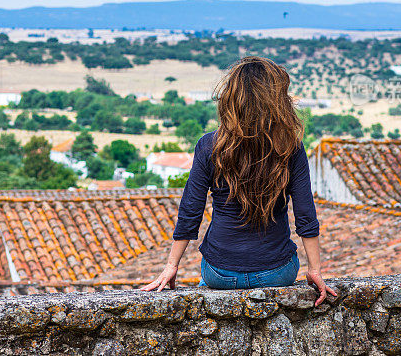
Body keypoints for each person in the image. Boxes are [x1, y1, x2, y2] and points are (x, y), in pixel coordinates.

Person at [141, 56, 336, 305]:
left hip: (219, 272)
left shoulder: (209, 146)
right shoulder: (291, 148)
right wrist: (315, 270)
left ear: (232, 99)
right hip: (276, 271)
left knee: (207, 288)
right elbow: (305, 214)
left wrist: (171, 266)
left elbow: (191, 211)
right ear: (277, 101)